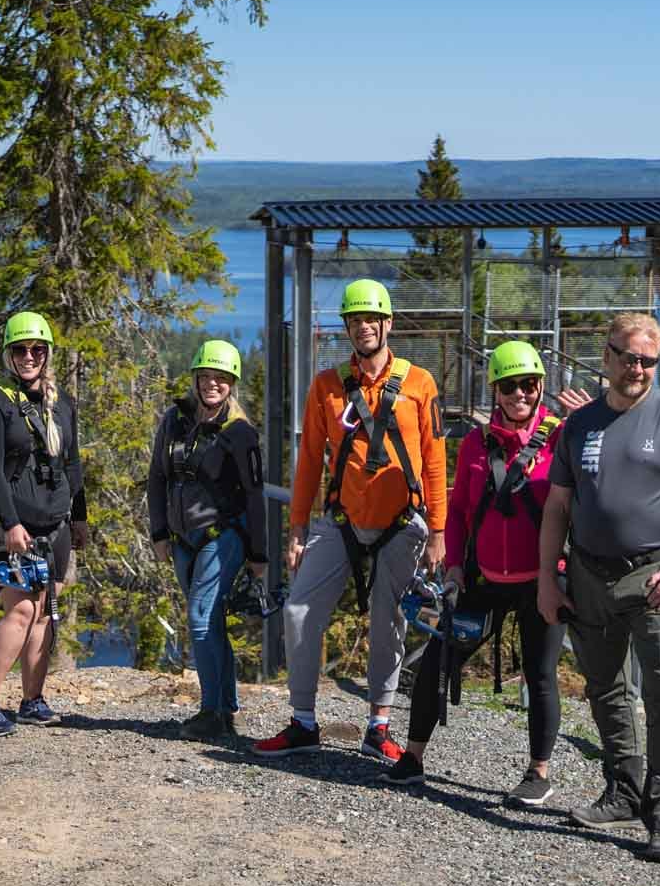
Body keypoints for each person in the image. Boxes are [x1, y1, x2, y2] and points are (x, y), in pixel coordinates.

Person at [537, 312, 660, 864]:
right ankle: (623, 790)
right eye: (627, 356)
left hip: (656, 576)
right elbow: (557, 508)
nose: (637, 368)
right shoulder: (580, 425)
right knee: (606, 690)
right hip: (589, 574)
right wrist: (549, 579)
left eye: (647, 360)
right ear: (607, 356)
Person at [251, 279, 447, 761]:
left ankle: (378, 726)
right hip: (340, 520)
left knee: (389, 623)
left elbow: (436, 460)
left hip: (403, 522)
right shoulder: (328, 386)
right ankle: (302, 721)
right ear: (348, 327)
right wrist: (297, 529)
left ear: (387, 324)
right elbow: (309, 462)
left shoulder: (419, 384)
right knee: (299, 611)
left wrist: (440, 532)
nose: (364, 328)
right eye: (355, 321)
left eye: (371, 320)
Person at [384, 341, 565, 804]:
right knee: (437, 662)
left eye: (527, 385)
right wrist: (457, 567)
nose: (519, 395)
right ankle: (413, 757)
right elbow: (461, 510)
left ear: (540, 387)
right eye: (509, 386)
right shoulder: (476, 446)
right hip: (483, 580)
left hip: (539, 580)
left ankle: (538, 772)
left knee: (541, 675)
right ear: (496, 392)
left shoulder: (560, 439)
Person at [0, 312, 87, 736]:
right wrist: (12, 523)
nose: (29, 357)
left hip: (54, 526)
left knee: (44, 613)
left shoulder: (60, 403)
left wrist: (80, 517)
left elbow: (71, 463)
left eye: (37, 350)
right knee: (20, 610)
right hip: (7, 527)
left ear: (48, 354)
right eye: (20, 350)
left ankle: (32, 700)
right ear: (8, 354)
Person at [147, 339, 267, 741]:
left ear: (231, 383)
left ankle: (210, 711)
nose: (213, 385)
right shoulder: (175, 420)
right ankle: (225, 709)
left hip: (222, 536)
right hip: (183, 540)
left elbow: (254, 495)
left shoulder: (240, 433)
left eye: (221, 378)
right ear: (196, 379)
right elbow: (158, 477)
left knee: (200, 622)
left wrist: (258, 554)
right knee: (211, 623)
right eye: (206, 377)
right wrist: (160, 531)